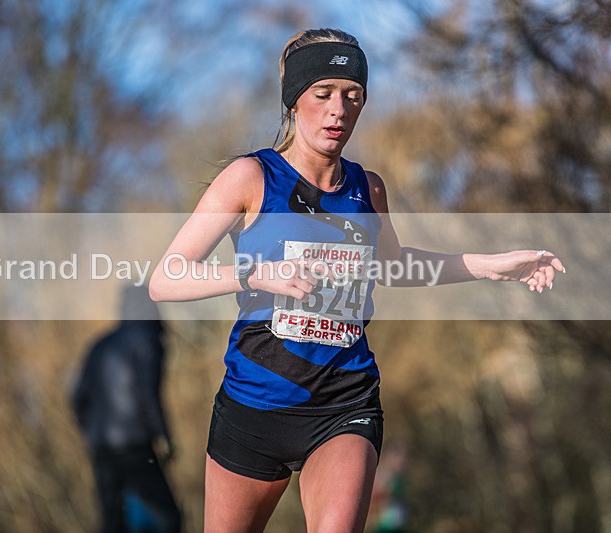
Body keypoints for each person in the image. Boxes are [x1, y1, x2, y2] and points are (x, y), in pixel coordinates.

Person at [148, 28, 565, 533]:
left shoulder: (368, 189)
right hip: (255, 404)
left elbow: (393, 266)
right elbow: (165, 279)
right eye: (323, 94)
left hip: (346, 403)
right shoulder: (252, 178)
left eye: (353, 96)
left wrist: (490, 265)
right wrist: (255, 273)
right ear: (294, 100)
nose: (338, 110)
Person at [71, 285, 181, 533]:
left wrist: (92, 434)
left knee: (112, 523)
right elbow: (148, 393)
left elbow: (78, 398)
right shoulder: (149, 340)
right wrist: (164, 436)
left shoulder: (99, 346)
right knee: (168, 518)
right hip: (136, 446)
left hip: (102, 449)